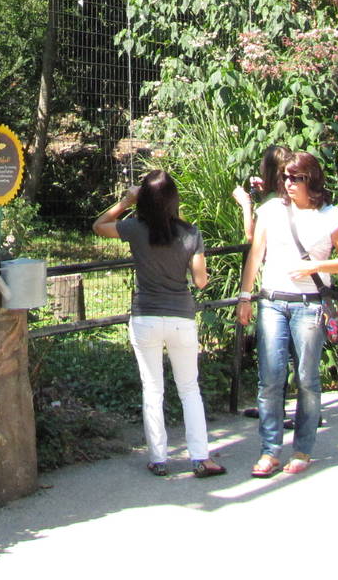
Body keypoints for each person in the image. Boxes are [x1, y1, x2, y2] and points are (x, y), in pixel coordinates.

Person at [94, 169, 226, 478]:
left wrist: (126, 200)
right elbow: (201, 281)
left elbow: (98, 226)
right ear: (173, 199)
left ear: (146, 201)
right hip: (180, 316)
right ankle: (200, 457)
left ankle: (158, 458)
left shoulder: (136, 229)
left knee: (153, 389)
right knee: (189, 388)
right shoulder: (191, 233)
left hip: (146, 316)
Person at [236, 150, 338, 478]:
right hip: (272, 301)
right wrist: (246, 296)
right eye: (285, 177)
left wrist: (315, 265)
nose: (288, 184)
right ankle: (269, 451)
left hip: (310, 304)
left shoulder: (330, 215)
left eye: (296, 178)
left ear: (312, 180)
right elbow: (255, 254)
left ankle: (302, 448)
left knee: (306, 378)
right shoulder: (272, 210)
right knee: (270, 379)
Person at [231, 143, 291, 242]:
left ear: (267, 170)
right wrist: (266, 188)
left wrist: (246, 204)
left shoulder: (273, 202)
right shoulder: (292, 192)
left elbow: (253, 238)